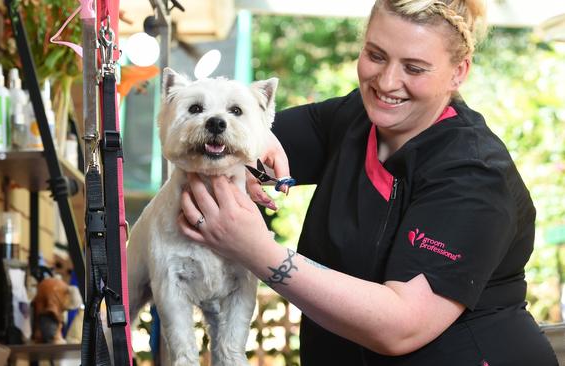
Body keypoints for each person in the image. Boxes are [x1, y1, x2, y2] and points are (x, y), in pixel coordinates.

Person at [177, 0, 559, 364]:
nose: (387, 82)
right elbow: (232, 137)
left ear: (459, 72)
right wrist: (245, 144)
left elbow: (401, 326)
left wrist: (258, 251)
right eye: (376, 55)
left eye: (414, 68)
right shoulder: (355, 118)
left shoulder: (474, 176)